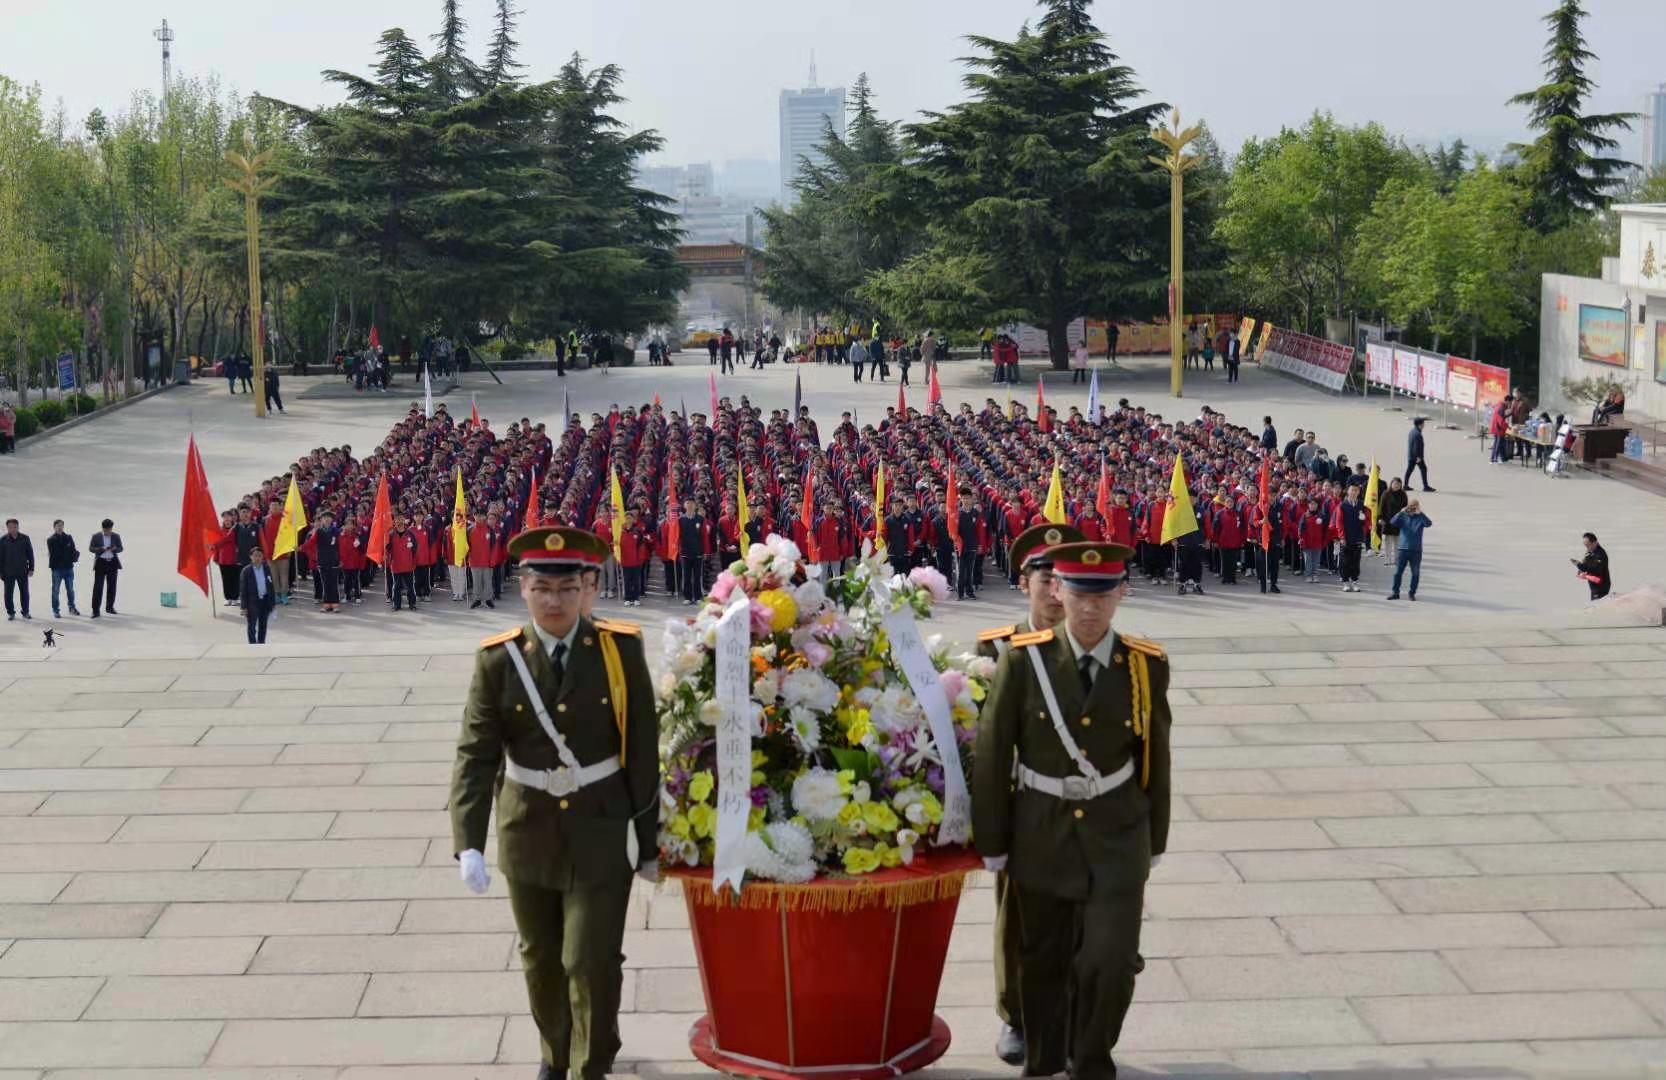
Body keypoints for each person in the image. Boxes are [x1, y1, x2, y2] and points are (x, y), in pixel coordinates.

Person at [450, 526, 658, 1080]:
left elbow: (641, 749)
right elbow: (476, 755)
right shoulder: (499, 660)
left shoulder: (619, 650)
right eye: (542, 588)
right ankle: (555, 1054)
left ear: (587, 586)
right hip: (528, 831)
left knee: (590, 959)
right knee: (540, 958)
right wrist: (468, 842)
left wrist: (650, 842)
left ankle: (590, 1065)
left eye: (566, 589)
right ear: (523, 587)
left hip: (600, 829)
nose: (554, 601)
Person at [972, 540, 1172, 1080]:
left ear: (1122, 593)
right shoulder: (1022, 660)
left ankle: (1091, 1062)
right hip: (1042, 830)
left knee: (1111, 960)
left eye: (1103, 595)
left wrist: (1155, 840)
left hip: (1117, 832)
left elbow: (1155, 755)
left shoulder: (1144, 666)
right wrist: (992, 841)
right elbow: (993, 753)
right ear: (1058, 590)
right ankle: (1043, 1062)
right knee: (1044, 961)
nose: (1090, 608)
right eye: (1080, 595)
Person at [975, 522, 1083, 1067]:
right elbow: (981, 740)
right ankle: (1016, 1015)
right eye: (1045, 578)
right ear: (1024, 583)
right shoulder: (995, 648)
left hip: (1090, 809)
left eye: (1065, 580)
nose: (1056, 590)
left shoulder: (1096, 647)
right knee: (1018, 916)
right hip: (1027, 804)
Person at [1385, 498, 1430, 601]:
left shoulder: (1420, 517)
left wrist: (1421, 513)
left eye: (1415, 506)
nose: (1412, 508)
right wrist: (1401, 512)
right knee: (1397, 573)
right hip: (1402, 549)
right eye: (1411, 506)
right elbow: (1392, 522)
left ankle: (1412, 593)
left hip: (1416, 550)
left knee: (1415, 574)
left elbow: (1428, 524)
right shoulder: (1403, 516)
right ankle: (1395, 593)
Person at [240, 546, 277, 643]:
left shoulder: (266, 568)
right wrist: (244, 607)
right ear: (251, 557)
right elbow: (243, 590)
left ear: (262, 557)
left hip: (265, 601)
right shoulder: (246, 571)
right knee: (252, 626)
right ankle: (253, 645)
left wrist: (273, 602)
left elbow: (270, 585)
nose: (257, 558)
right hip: (252, 602)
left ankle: (261, 644)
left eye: (260, 556)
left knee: (263, 625)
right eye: (255, 555)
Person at [88, 518, 122, 617]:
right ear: (102, 528)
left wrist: (114, 549)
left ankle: (110, 607)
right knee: (98, 587)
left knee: (112, 586)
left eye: (110, 529)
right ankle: (95, 610)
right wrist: (100, 549)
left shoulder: (116, 536)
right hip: (100, 563)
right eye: (106, 530)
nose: (108, 531)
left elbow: (121, 548)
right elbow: (91, 548)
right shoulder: (96, 536)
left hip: (112, 563)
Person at [1, 518, 34, 621]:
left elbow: (30, 554)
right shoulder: (3, 540)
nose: (13, 529)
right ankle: (11, 613)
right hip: (8, 572)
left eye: (15, 527)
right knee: (8, 594)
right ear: (7, 528)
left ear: (18, 527)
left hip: (22, 571)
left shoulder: (25, 538)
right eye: (10, 527)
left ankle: (25, 612)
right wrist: (1, 572)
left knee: (24, 593)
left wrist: (31, 568)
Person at [46, 519, 80, 618]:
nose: (60, 527)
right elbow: (55, 554)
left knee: (70, 589)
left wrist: (74, 555)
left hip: (69, 567)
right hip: (57, 569)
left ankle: (71, 607)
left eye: (61, 525)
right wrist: (67, 551)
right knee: (56, 590)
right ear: (54, 527)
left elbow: (73, 550)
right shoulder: (51, 539)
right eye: (58, 526)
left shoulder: (69, 537)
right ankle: (56, 610)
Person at [1376, 477, 1408, 563]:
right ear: (1391, 484)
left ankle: (1396, 559)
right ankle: (1387, 559)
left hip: (1399, 521)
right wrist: (1380, 518)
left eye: (1398, 484)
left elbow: (1406, 508)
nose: (1396, 485)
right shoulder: (1386, 493)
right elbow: (1381, 507)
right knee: (1388, 541)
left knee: (1398, 541)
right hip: (1388, 521)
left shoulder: (1403, 494)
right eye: (1395, 483)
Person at [1574, 532, 1611, 600]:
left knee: (1597, 603)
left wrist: (1580, 566)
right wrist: (1581, 570)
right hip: (1594, 585)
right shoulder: (1590, 552)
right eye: (1585, 545)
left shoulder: (1600, 554)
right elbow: (1586, 564)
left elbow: (1595, 570)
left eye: (1588, 545)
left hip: (1601, 586)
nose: (1586, 547)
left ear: (1595, 542)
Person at [1404, 417, 1434, 491]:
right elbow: (1417, 447)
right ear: (1419, 424)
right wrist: (1419, 457)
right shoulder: (1418, 434)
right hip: (1416, 457)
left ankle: (1405, 485)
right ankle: (1425, 486)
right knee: (1423, 469)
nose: (1424, 425)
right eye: (1423, 423)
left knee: (1409, 470)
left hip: (1411, 455)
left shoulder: (1412, 431)